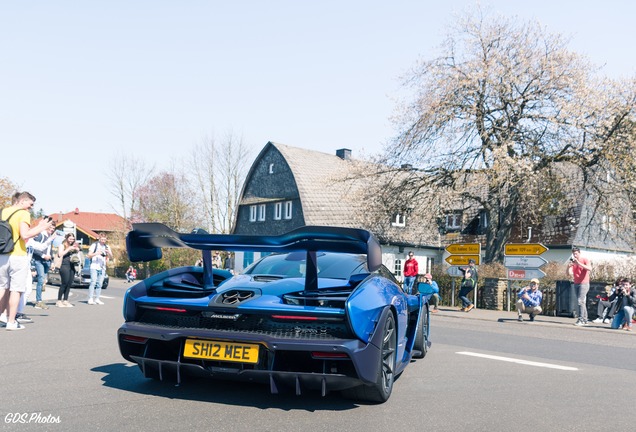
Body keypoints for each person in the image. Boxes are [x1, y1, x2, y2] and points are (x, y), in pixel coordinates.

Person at [0, 192, 54, 330]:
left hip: (3, 254)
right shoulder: (23, 213)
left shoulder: (3, 211)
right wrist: (42, 227)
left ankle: (2, 316)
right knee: (16, 289)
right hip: (18, 255)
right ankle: (11, 321)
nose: (30, 208)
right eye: (30, 204)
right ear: (22, 201)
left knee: (3, 287)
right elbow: (25, 235)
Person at [29, 223, 57, 309]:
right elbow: (34, 248)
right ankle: (39, 301)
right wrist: (43, 256)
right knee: (40, 279)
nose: (52, 229)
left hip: (47, 261)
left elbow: (50, 250)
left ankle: (39, 299)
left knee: (43, 281)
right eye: (50, 227)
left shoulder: (50, 237)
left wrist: (52, 261)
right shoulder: (41, 235)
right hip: (39, 260)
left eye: (53, 228)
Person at [567, 246, 592, 326]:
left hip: (584, 283)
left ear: (579, 253)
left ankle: (580, 319)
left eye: (576, 254)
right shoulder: (573, 262)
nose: (575, 255)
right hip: (576, 283)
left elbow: (589, 268)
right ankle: (585, 319)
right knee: (582, 302)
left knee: (580, 301)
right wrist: (568, 267)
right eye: (573, 254)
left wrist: (579, 263)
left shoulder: (584, 260)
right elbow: (569, 273)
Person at [87, 234, 112, 305]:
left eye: (104, 239)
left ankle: (97, 298)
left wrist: (108, 252)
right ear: (99, 239)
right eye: (102, 239)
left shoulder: (107, 247)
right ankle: (90, 298)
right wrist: (96, 253)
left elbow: (111, 256)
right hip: (94, 266)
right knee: (93, 282)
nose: (103, 241)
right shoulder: (94, 245)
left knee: (100, 284)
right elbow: (89, 255)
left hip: (102, 267)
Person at [56, 233, 81, 307]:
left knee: (69, 283)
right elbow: (60, 254)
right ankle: (59, 301)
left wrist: (77, 249)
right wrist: (68, 249)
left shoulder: (74, 245)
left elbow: (78, 253)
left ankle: (65, 300)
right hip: (64, 265)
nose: (71, 240)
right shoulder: (62, 245)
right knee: (64, 283)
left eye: (73, 239)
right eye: (70, 239)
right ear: (67, 238)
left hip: (72, 266)